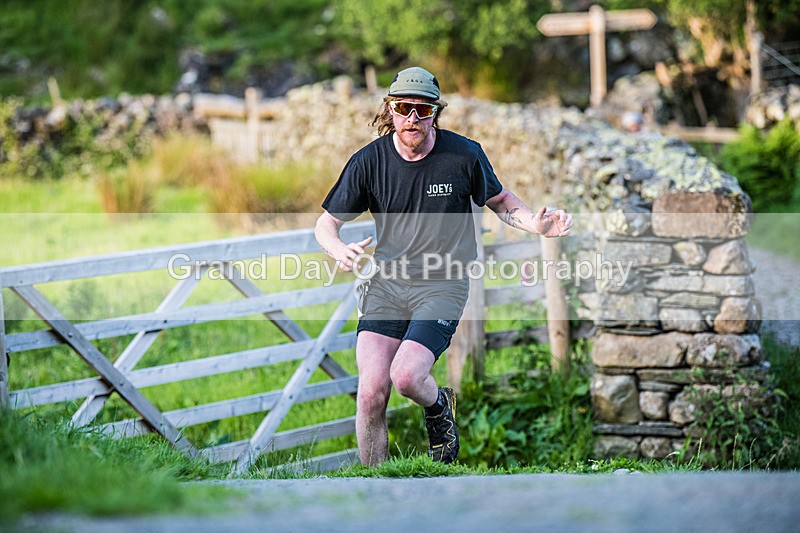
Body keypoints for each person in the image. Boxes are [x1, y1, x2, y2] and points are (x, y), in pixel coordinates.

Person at [315, 66, 573, 466]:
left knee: (406, 377)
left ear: (436, 111)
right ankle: (374, 490)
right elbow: (326, 222)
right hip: (386, 285)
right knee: (370, 392)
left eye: (423, 109)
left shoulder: (463, 155)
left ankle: (438, 407)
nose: (413, 118)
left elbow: (502, 201)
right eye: (404, 108)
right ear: (391, 109)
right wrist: (336, 248)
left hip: (443, 285)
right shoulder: (369, 162)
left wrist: (535, 224)